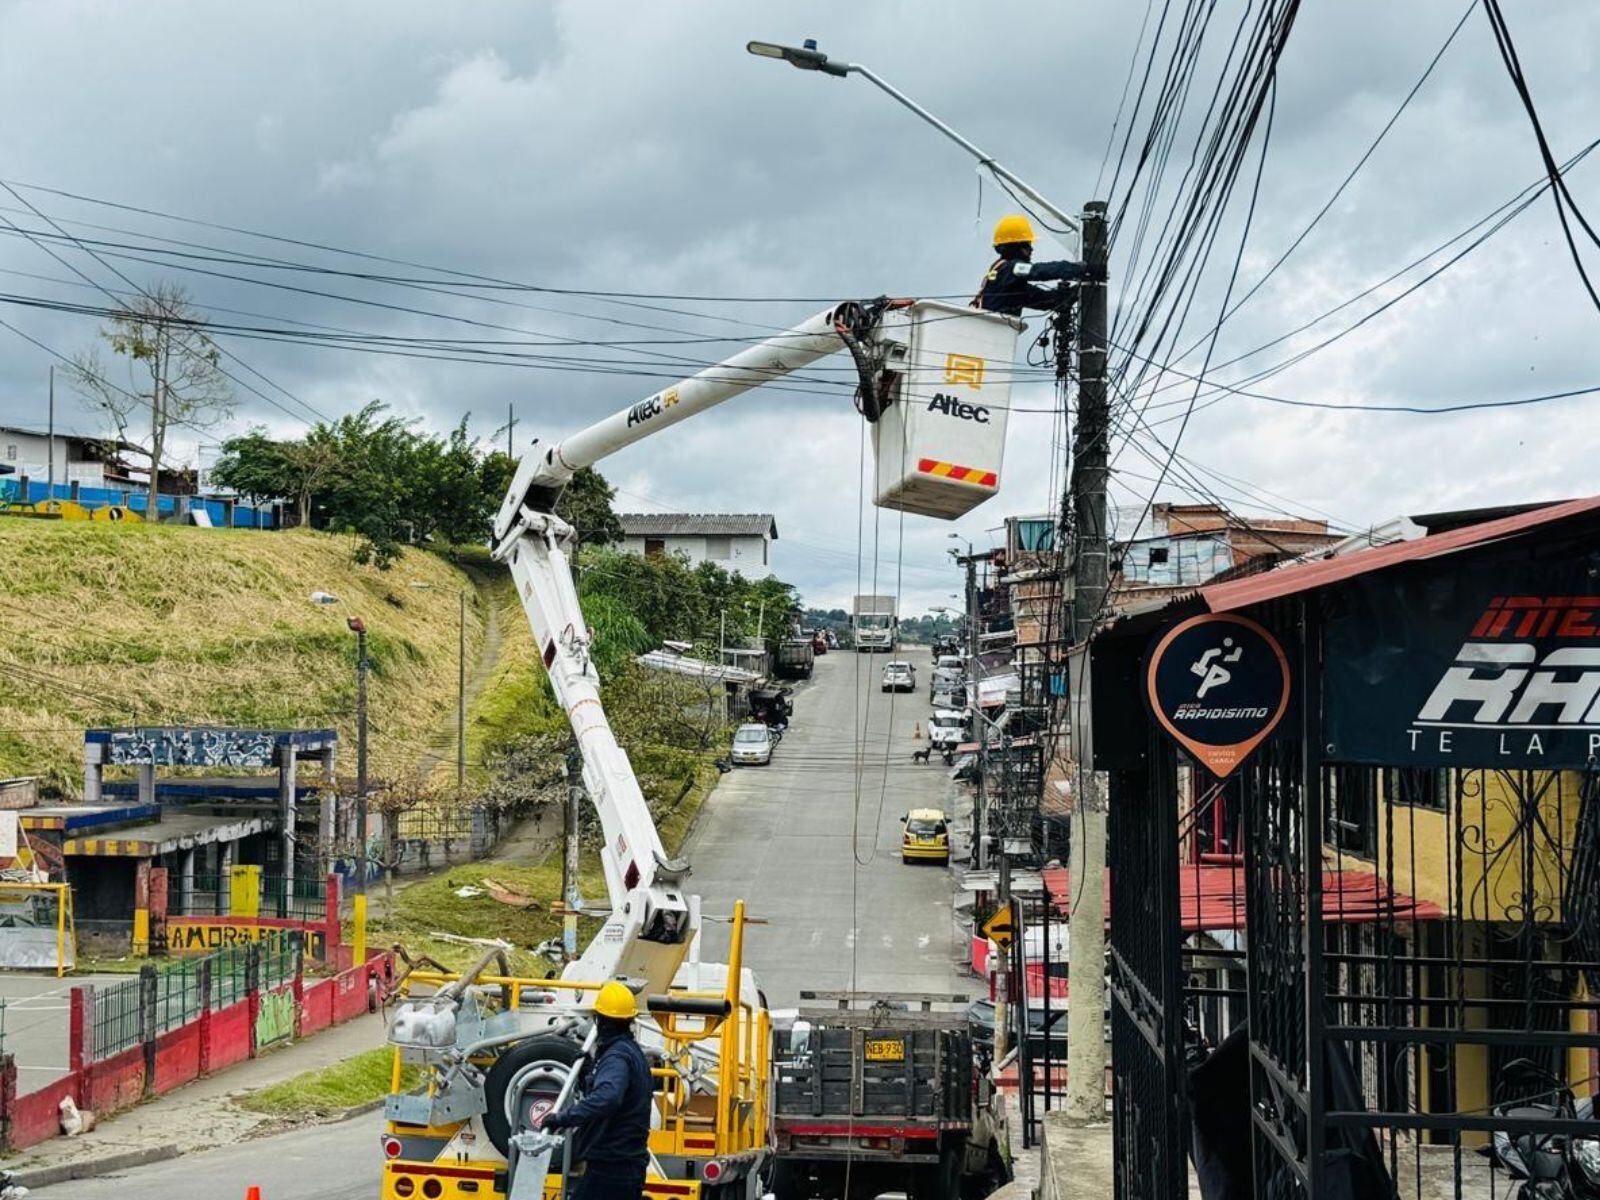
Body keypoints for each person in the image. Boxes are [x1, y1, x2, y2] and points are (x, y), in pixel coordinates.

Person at [538, 981, 654, 1199]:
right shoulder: (630, 1053)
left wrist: (562, 1118)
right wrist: (588, 1075)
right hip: (622, 1164)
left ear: (600, 1020)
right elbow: (617, 1096)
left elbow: (608, 1099)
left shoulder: (616, 1057)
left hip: (612, 1166)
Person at [973, 213, 1100, 316]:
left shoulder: (1005, 280)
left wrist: (1068, 295)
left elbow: (1041, 300)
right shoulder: (1011, 268)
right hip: (995, 334)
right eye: (1028, 245)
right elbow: (1038, 271)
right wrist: (1079, 269)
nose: (1031, 250)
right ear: (1017, 247)